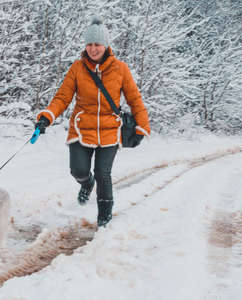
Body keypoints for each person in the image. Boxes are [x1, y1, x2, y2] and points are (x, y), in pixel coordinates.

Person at [35, 16, 150, 227]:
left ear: (105, 46)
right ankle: (86, 184)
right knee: (77, 170)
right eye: (89, 44)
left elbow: (134, 99)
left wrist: (142, 126)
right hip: (81, 129)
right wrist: (47, 117)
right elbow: (62, 97)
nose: (93, 49)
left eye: (97, 44)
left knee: (103, 173)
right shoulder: (77, 69)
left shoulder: (120, 69)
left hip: (109, 131)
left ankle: (104, 218)